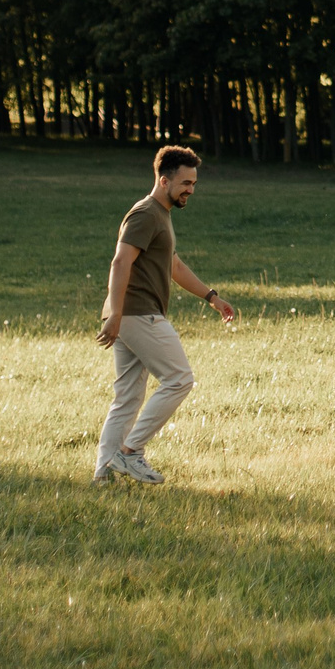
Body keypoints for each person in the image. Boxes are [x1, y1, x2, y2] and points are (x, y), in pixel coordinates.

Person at [94, 145, 237, 485]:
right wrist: (116, 313)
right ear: (164, 180)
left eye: (194, 184)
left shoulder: (160, 215)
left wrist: (212, 297)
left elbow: (173, 265)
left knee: (128, 398)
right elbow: (120, 261)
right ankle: (130, 453)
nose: (191, 190)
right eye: (185, 183)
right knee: (180, 379)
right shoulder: (145, 214)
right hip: (138, 313)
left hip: (131, 315)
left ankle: (104, 474)